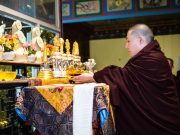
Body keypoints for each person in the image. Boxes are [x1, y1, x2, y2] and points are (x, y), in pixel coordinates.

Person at [71, 24, 180, 135]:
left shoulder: (152, 59)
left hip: (160, 125)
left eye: (128, 41)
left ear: (140, 40)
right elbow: (127, 77)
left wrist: (94, 77)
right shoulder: (153, 56)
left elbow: (124, 76)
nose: (126, 46)